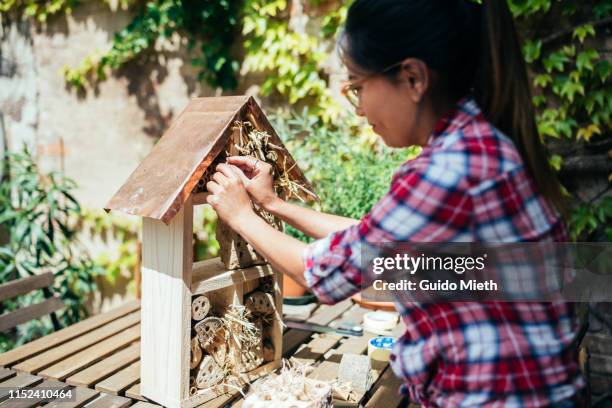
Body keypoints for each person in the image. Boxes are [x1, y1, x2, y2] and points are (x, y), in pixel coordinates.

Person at [204, 0, 586, 405]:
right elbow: (373, 244)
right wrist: (275, 204)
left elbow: (317, 272)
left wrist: (242, 215)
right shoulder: (479, 143)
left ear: (412, 78)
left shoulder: (447, 170)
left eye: (358, 86)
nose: (360, 108)